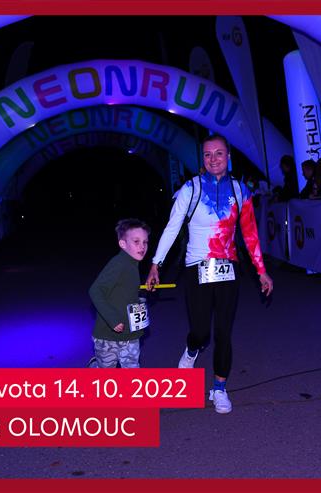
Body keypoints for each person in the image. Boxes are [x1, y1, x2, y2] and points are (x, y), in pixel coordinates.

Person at [145, 134, 274, 414]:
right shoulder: (190, 189)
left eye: (219, 153)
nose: (213, 159)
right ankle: (192, 349)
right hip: (197, 268)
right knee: (201, 332)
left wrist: (261, 271)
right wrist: (156, 264)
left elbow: (250, 234)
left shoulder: (240, 191)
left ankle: (219, 388)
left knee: (224, 332)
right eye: (207, 154)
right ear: (202, 159)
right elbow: (172, 227)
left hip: (228, 268)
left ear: (228, 157)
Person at [88, 218, 150, 368]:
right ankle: (95, 366)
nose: (142, 246)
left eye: (145, 242)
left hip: (131, 333)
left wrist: (142, 289)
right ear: (123, 244)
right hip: (108, 336)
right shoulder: (119, 263)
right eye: (136, 241)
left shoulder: (132, 263)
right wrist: (113, 319)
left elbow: (124, 289)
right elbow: (95, 290)